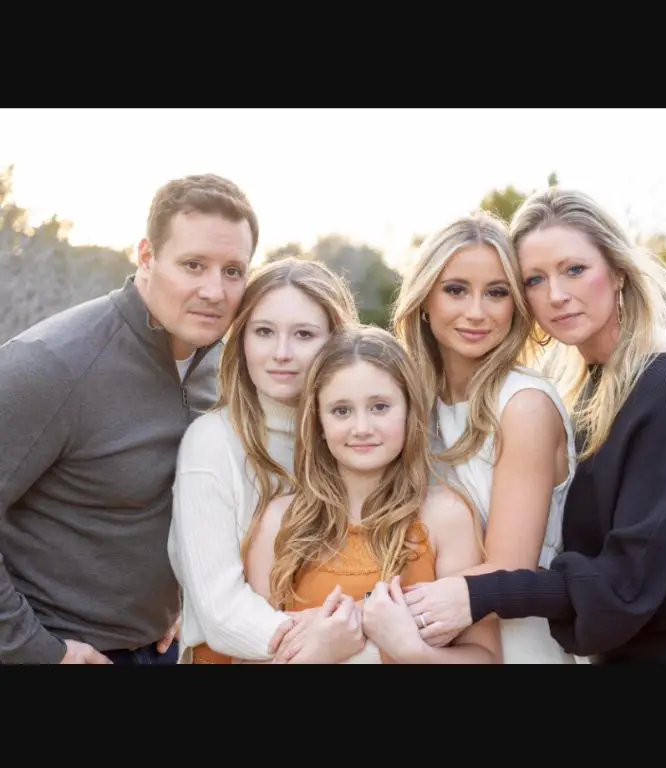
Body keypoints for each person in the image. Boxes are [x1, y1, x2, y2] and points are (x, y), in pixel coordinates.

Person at [401, 187, 666, 664]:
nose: (556, 296)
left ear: (617, 271)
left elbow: (626, 580)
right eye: (534, 279)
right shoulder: (602, 390)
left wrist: (477, 594)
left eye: (574, 269)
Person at [0, 172, 258, 664]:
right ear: (146, 256)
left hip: (162, 648)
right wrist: (36, 650)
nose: (214, 290)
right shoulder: (52, 364)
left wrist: (191, 598)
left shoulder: (227, 371)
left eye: (232, 271)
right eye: (193, 265)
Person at [244, 326, 501, 663]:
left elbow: (486, 658)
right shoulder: (280, 522)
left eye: (380, 407)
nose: (362, 428)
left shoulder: (445, 516)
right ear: (318, 423)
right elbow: (249, 656)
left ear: (410, 412)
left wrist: (412, 651)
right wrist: (318, 654)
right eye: (341, 411)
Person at [168, 256, 376, 664]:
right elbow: (221, 611)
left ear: (336, 340)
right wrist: (321, 648)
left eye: (303, 334)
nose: (282, 353)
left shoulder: (360, 438)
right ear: (241, 338)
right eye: (264, 332)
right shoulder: (212, 443)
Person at [390, 210, 577, 664]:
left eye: (496, 293)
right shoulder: (408, 402)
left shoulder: (524, 405)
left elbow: (508, 572)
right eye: (456, 290)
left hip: (519, 648)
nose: (476, 312)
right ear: (425, 299)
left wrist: (371, 613)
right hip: (428, 645)